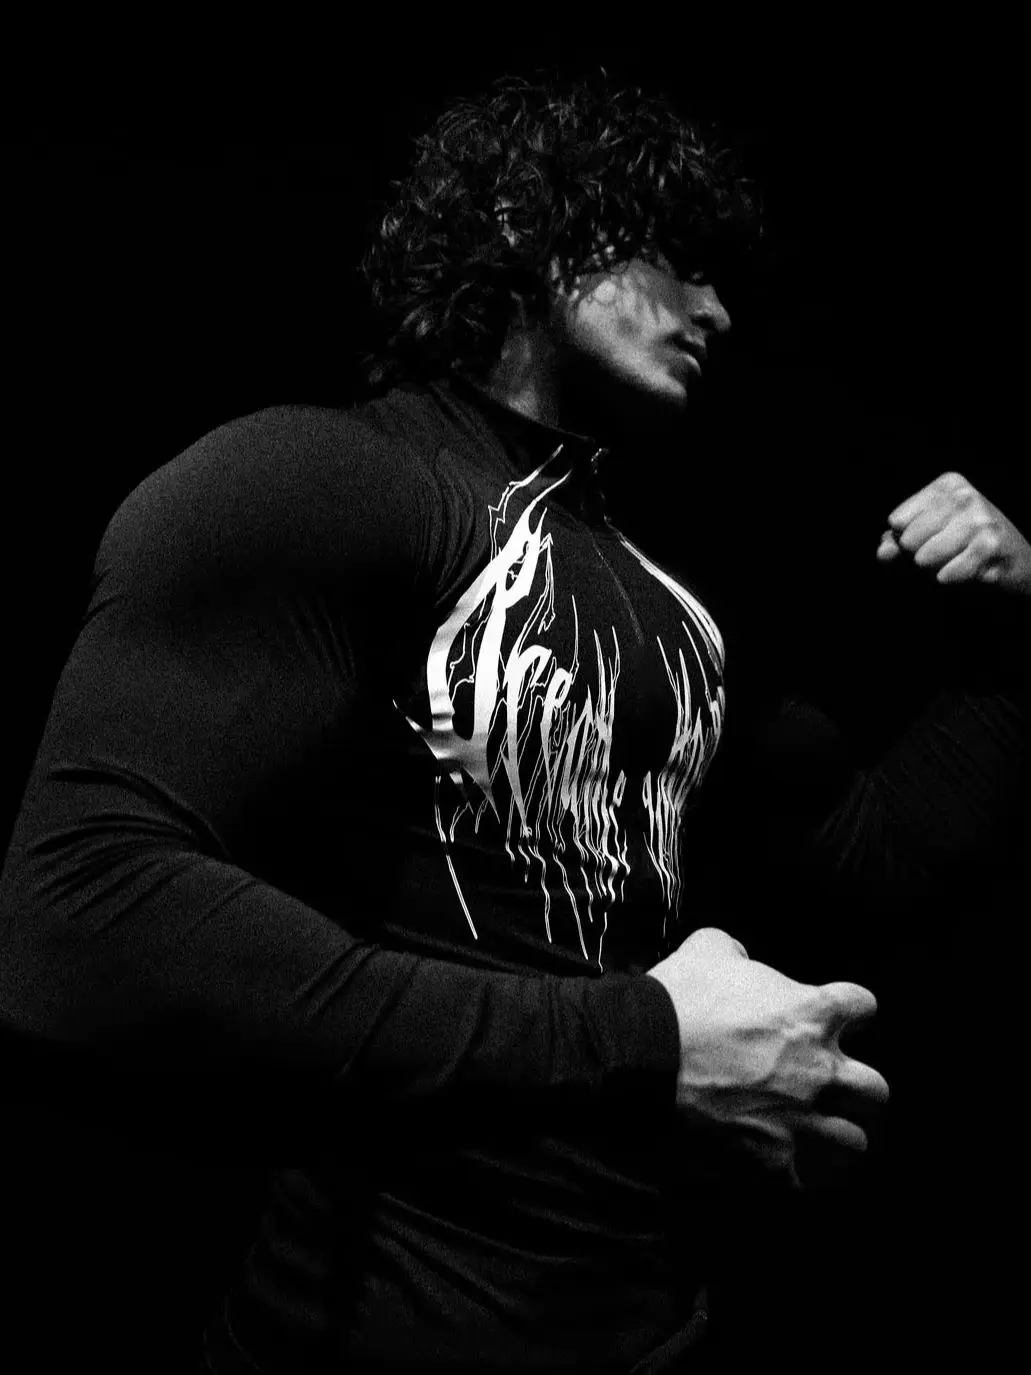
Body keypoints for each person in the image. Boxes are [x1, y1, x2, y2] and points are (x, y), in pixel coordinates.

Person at [0, 63, 1020, 1374]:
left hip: (646, 1330)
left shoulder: (671, 599)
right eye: (676, 259)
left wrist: (1013, 641)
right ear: (535, 230)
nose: (716, 308)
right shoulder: (324, 478)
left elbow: (874, 859)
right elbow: (78, 922)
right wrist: (643, 1043)